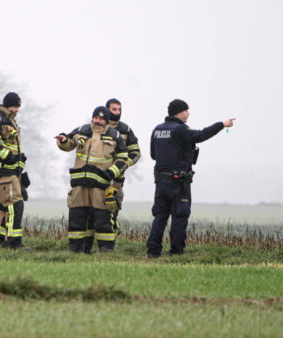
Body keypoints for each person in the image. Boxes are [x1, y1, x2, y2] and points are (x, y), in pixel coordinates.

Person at [146, 99, 235, 258]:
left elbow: (153, 155)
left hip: (160, 181)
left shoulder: (157, 129)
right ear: (178, 113)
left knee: (160, 216)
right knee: (180, 216)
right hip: (179, 181)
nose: (188, 113)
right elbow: (201, 135)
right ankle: (176, 253)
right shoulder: (181, 130)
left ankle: (153, 252)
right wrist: (222, 124)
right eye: (186, 110)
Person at [55, 106, 128, 253]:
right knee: (77, 218)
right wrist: (63, 140)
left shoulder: (114, 135)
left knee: (103, 220)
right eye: (96, 117)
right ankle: (75, 250)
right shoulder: (82, 130)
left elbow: (123, 159)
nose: (98, 121)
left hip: (100, 186)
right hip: (79, 185)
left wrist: (111, 173)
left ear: (106, 121)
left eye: (101, 118)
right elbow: (68, 143)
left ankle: (106, 250)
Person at [0, 92, 29, 249]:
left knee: (5, 206)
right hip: (2, 171)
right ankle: (14, 243)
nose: (17, 110)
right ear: (6, 105)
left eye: (18, 107)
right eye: (14, 106)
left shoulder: (12, 122)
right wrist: (8, 156)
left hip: (12, 173)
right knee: (16, 204)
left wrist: (20, 166)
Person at [105, 98, 141, 236]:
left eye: (119, 109)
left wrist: (124, 164)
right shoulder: (100, 128)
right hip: (100, 175)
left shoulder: (126, 129)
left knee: (115, 204)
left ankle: (113, 232)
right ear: (107, 109)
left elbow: (136, 153)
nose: (117, 112)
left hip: (118, 177)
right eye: (114, 109)